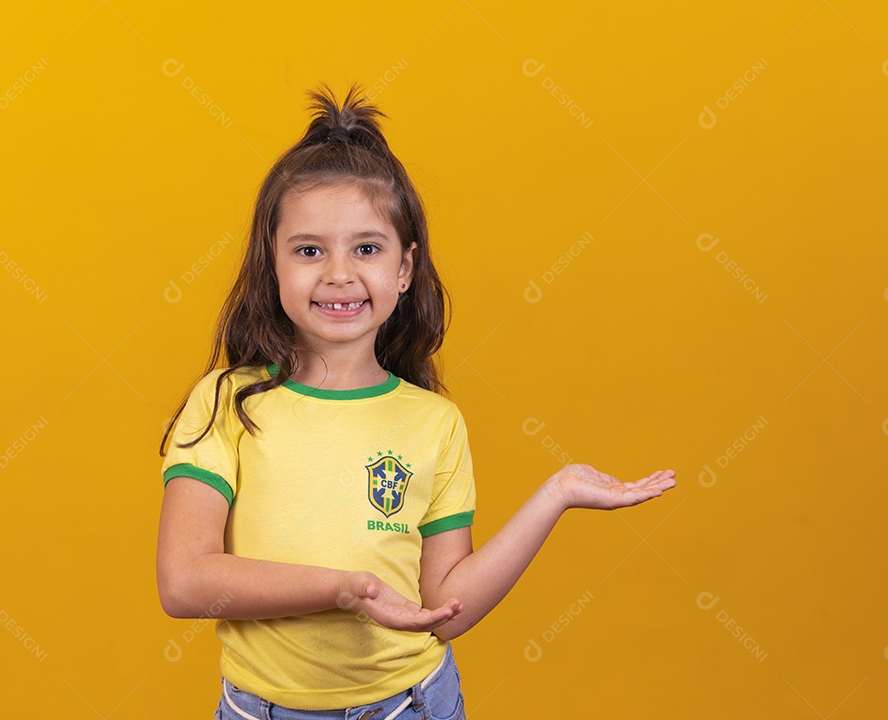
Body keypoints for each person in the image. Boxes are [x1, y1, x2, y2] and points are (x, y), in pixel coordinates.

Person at [156, 82, 677, 720]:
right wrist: (345, 590)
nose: (339, 274)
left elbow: (445, 608)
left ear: (404, 270)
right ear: (273, 264)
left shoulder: (434, 422)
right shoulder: (226, 403)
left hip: (411, 706)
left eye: (367, 249)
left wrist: (557, 494)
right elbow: (184, 583)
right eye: (309, 250)